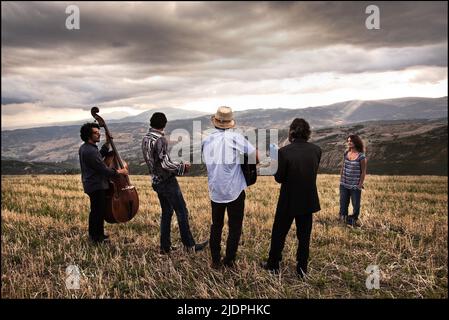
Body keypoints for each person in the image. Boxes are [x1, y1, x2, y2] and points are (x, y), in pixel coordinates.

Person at [262, 118, 321, 278]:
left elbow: (279, 178)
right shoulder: (317, 150)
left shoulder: (283, 152)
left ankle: (273, 264)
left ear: (291, 132)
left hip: (288, 199)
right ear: (307, 132)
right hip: (308, 199)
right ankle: (302, 268)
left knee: (279, 233)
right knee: (304, 236)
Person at [142, 112, 208, 254]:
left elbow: (155, 162)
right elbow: (165, 164)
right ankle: (190, 246)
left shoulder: (146, 138)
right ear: (164, 124)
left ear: (151, 123)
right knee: (182, 211)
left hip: (155, 180)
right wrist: (182, 167)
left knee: (167, 212)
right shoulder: (160, 139)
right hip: (166, 181)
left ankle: (165, 247)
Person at [202, 106, 258, 269]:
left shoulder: (206, 139)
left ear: (216, 122)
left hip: (215, 190)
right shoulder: (236, 138)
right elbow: (256, 156)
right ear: (230, 123)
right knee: (235, 227)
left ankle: (215, 260)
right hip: (234, 190)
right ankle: (229, 260)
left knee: (216, 226)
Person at [79, 122, 128, 244]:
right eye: (95, 133)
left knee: (97, 211)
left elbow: (99, 157)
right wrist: (120, 171)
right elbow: (103, 169)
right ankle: (96, 238)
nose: (98, 134)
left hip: (92, 184)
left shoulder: (87, 148)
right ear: (88, 135)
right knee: (97, 211)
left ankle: (97, 235)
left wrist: (107, 143)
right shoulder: (89, 151)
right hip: (96, 185)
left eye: (98, 132)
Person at [339, 135, 367, 226]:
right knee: (343, 203)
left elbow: (363, 172)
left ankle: (353, 220)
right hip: (344, 184)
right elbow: (343, 166)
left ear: (356, 142)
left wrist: (359, 185)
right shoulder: (346, 153)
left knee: (356, 205)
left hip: (355, 185)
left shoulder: (361, 157)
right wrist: (341, 179)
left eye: (351, 141)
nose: (349, 142)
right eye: (348, 141)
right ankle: (343, 219)